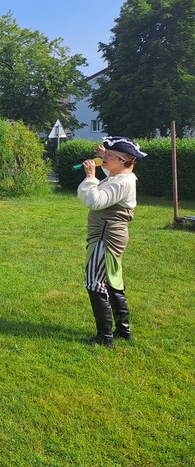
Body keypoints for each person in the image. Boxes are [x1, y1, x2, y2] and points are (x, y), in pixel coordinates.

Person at [78, 136, 147, 347]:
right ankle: (123, 331)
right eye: (105, 153)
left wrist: (91, 177)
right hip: (109, 236)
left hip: (105, 238)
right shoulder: (122, 177)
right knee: (112, 281)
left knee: (94, 283)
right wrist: (106, 156)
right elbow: (111, 177)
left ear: (124, 159)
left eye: (110, 155)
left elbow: (95, 201)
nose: (104, 157)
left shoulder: (123, 182)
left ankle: (104, 336)